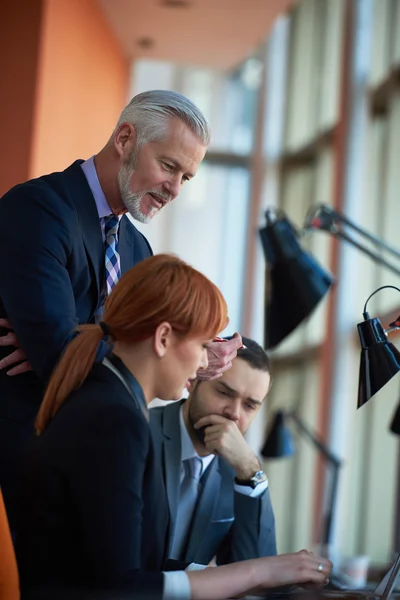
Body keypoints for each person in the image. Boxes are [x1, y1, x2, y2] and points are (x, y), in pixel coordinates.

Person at [16, 254, 332, 600]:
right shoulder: (115, 421)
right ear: (163, 338)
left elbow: (125, 566)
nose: (202, 364)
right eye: (201, 346)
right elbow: (120, 586)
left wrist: (258, 573)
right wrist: (261, 570)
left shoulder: (110, 399)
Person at [0, 89, 241, 529]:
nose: (174, 190)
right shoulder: (40, 208)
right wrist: (63, 343)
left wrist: (203, 351)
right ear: (125, 139)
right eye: (169, 166)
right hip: (35, 444)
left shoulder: (138, 249)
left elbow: (147, 353)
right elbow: (57, 353)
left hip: (103, 453)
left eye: (186, 178)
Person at [150, 337, 277, 566]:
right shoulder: (142, 432)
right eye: (224, 392)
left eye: (249, 405)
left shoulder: (240, 471)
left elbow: (256, 576)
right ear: (195, 380)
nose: (234, 413)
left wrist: (250, 469)